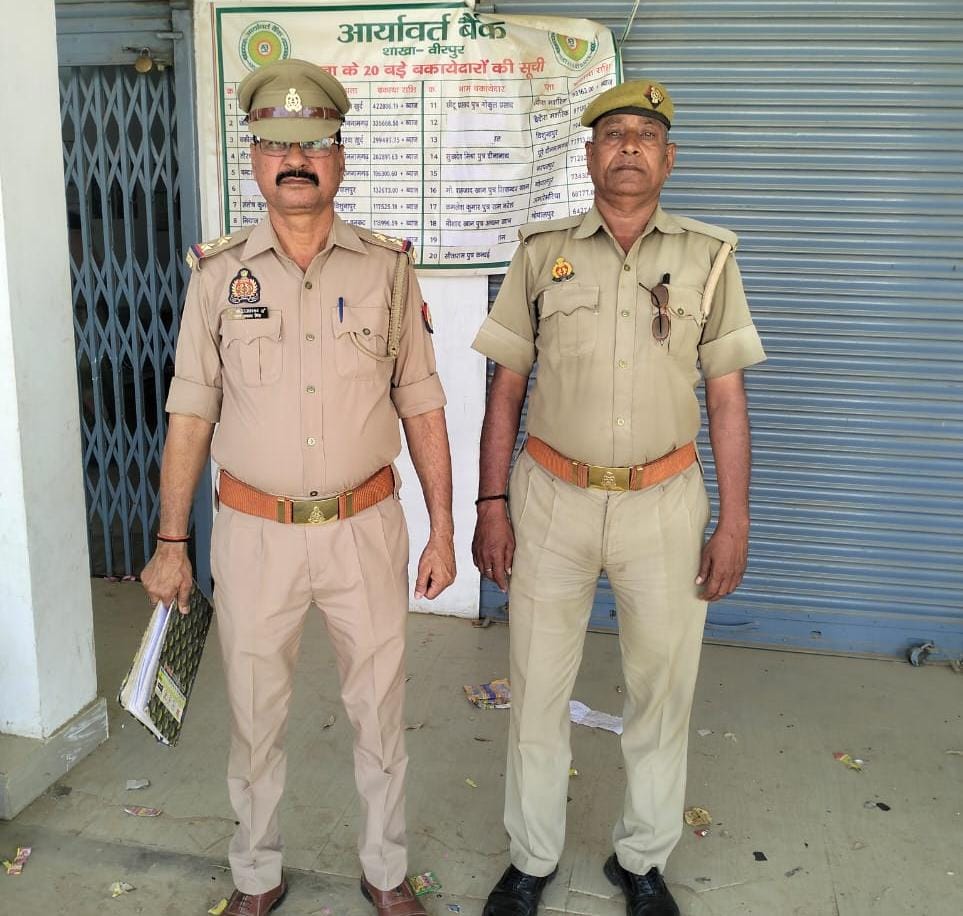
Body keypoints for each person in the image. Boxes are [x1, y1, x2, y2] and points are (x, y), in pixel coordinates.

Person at [141, 59, 455, 916]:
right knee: (253, 715)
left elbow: (421, 400)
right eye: (276, 144)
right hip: (254, 534)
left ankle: (385, 870)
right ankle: (256, 873)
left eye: (313, 144)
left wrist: (442, 529)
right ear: (253, 158)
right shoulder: (216, 275)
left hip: (364, 527)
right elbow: (190, 413)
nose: (295, 160)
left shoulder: (386, 269)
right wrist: (171, 543)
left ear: (339, 156)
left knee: (379, 711)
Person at [471, 80, 766, 916]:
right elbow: (504, 388)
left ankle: (640, 859)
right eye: (612, 134)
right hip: (549, 498)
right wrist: (490, 504)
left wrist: (734, 520)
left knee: (660, 692)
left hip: (664, 502)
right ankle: (531, 858)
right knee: (535, 688)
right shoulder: (541, 253)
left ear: (668, 159)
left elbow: (727, 398)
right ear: (589, 155)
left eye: (644, 134)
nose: (628, 146)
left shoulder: (709, 257)